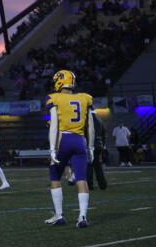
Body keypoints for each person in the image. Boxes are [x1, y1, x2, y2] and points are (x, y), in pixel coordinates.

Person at [45, 70, 94, 228]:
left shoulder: (54, 98)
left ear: (59, 81)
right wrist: (91, 147)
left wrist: (52, 147)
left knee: (54, 177)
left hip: (62, 139)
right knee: (81, 178)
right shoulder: (85, 98)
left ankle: (59, 215)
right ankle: (82, 217)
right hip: (80, 140)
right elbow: (90, 126)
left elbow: (54, 125)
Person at [86, 110, 108, 191]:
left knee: (89, 167)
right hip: (98, 146)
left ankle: (89, 185)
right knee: (98, 166)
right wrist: (102, 145)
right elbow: (104, 134)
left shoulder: (87, 121)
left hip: (90, 146)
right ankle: (103, 184)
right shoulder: (100, 120)